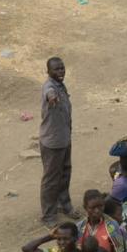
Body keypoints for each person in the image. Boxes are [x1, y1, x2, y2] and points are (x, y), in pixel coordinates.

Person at [40, 57, 75, 223]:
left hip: (64, 138)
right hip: (53, 143)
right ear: (48, 72)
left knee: (65, 174)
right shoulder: (50, 86)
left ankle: (64, 205)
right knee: (51, 180)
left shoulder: (61, 85)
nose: (61, 71)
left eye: (62, 68)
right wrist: (52, 97)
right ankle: (48, 215)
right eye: (56, 69)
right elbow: (49, 93)